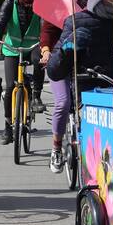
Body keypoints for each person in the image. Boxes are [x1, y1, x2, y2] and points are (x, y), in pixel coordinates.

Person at [0, 0, 46, 145]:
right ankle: (8, 126)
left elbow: (46, 24)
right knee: (10, 86)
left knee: (40, 60)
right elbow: (1, 21)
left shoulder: (40, 2)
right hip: (12, 48)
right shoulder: (10, 2)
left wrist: (46, 45)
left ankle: (36, 96)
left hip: (32, 46)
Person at [39, 17, 69, 172]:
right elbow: (46, 34)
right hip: (58, 63)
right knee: (63, 103)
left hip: (85, 63)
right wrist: (46, 52)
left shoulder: (92, 6)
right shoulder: (56, 10)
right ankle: (56, 148)